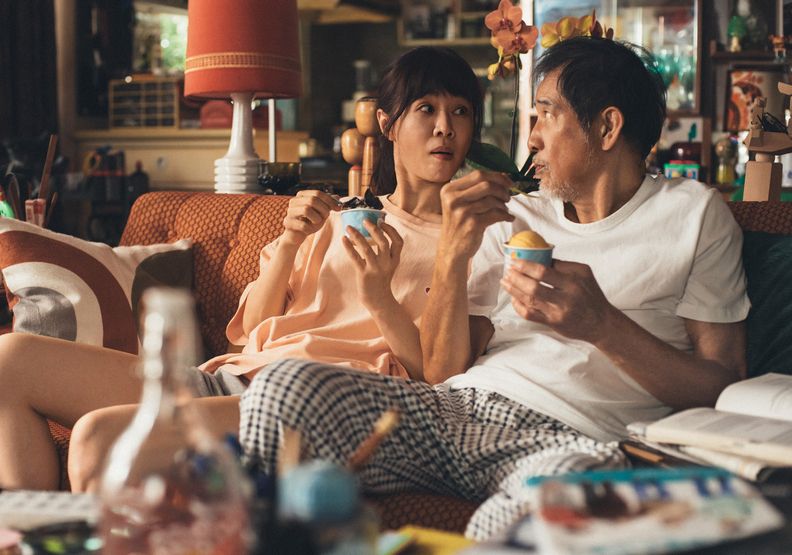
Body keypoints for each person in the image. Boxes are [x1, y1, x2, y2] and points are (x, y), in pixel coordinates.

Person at [237, 37, 749, 540]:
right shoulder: (516, 214)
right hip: (457, 410)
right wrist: (454, 253)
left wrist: (604, 327)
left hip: (570, 438)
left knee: (520, 519)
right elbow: (441, 371)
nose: (532, 140)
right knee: (283, 389)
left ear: (607, 127)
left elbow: (721, 385)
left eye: (546, 115)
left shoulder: (694, 215)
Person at [0, 46, 483, 491]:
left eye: (460, 111)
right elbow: (249, 331)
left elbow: (436, 378)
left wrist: (379, 298)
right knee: (9, 360)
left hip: (315, 402)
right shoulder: (339, 217)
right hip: (231, 380)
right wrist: (291, 241)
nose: (445, 127)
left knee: (97, 438)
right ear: (387, 123)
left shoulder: (467, 241)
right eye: (427, 109)